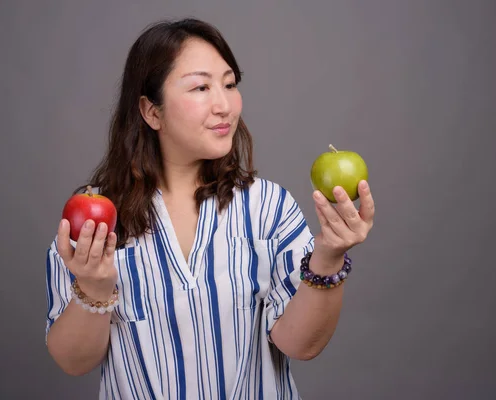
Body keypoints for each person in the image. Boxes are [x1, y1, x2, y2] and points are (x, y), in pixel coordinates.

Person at [45, 17, 375, 400]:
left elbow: (302, 345)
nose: (225, 106)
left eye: (230, 84)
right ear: (152, 112)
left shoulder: (269, 207)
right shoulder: (96, 220)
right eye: (201, 87)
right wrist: (95, 287)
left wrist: (329, 256)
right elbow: (73, 361)